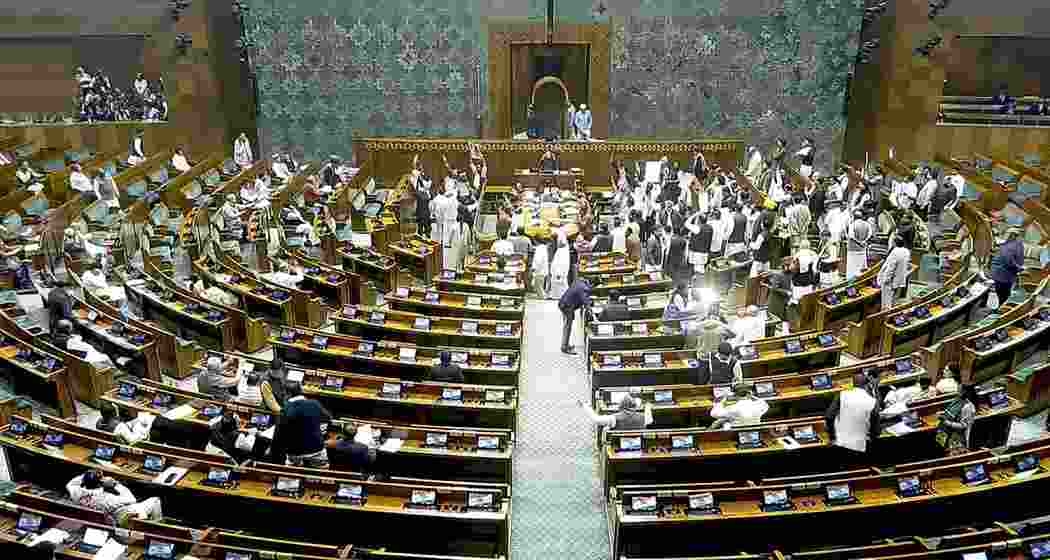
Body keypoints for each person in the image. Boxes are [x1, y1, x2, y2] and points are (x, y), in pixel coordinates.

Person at [66, 470, 163, 525]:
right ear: (100, 483)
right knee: (155, 500)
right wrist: (116, 484)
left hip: (100, 519)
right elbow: (132, 499)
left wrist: (90, 475)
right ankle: (155, 527)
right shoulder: (106, 498)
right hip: (121, 517)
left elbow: (71, 483)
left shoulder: (76, 492)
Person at [273, 382, 332, 468]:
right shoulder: (315, 403)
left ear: (287, 394)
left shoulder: (286, 409)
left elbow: (279, 434)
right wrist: (322, 434)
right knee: (321, 471)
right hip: (317, 448)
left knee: (291, 470)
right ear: (301, 391)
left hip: (295, 452)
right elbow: (328, 419)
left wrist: (273, 451)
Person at [824, 373, 880, 455]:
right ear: (866, 385)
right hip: (860, 444)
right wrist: (873, 436)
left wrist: (832, 436)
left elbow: (829, 416)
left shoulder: (842, 395)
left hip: (840, 441)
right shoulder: (873, 402)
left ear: (853, 383)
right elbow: (875, 426)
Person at [937, 383, 977, 455]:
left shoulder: (968, 407)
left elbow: (964, 425)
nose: (957, 392)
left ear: (964, 392)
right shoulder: (957, 401)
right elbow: (950, 413)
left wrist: (947, 422)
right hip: (949, 435)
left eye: (959, 390)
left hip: (959, 439)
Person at [990, 227, 1024, 307]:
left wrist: (1019, 268)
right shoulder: (1015, 245)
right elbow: (1010, 261)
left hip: (1003, 274)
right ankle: (1001, 307)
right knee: (1004, 294)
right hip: (1005, 274)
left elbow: (1010, 261)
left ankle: (1001, 308)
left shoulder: (1011, 245)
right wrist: (1019, 268)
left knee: (1003, 294)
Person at [578, 393, 653, 429]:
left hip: (617, 444)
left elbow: (596, 419)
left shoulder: (614, 418)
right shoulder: (644, 417)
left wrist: (586, 406)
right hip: (639, 444)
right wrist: (647, 407)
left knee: (606, 429)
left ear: (621, 406)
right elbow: (650, 420)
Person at [877, 235, 912, 310]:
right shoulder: (906, 251)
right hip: (900, 279)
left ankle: (885, 314)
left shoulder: (895, 252)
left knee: (886, 302)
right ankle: (892, 311)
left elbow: (890, 268)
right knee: (894, 300)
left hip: (890, 281)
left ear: (895, 243)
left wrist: (885, 279)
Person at [558, 279, 592, 355]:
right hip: (567, 306)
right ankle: (565, 347)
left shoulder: (579, 283)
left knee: (566, 326)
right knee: (567, 327)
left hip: (564, 303)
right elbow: (585, 300)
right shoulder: (584, 288)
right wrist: (590, 309)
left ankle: (565, 344)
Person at [846, 209, 873, 279]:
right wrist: (864, 241)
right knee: (861, 267)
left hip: (853, 250)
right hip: (862, 249)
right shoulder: (867, 224)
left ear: (854, 217)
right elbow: (870, 234)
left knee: (852, 268)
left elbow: (851, 236)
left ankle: (851, 282)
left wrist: (859, 242)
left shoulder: (852, 225)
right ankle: (860, 280)